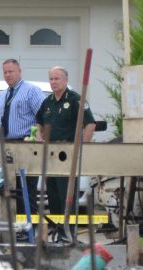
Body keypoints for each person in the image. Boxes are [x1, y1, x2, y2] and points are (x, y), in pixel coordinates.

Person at [34, 66, 96, 240]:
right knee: (52, 195)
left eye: (57, 79)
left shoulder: (75, 99)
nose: (53, 82)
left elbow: (90, 124)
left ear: (66, 80)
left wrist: (82, 147)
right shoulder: (48, 102)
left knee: (66, 196)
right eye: (51, 79)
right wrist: (39, 136)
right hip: (50, 156)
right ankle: (58, 232)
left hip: (68, 155)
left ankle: (69, 234)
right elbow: (39, 122)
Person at [0, 58, 45, 216]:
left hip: (26, 145)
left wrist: (38, 140)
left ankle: (28, 227)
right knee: (9, 187)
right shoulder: (2, 96)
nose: (8, 75)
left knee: (26, 187)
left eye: (11, 71)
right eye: (5, 72)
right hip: (6, 147)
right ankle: (14, 226)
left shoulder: (31, 91)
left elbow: (42, 117)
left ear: (19, 71)